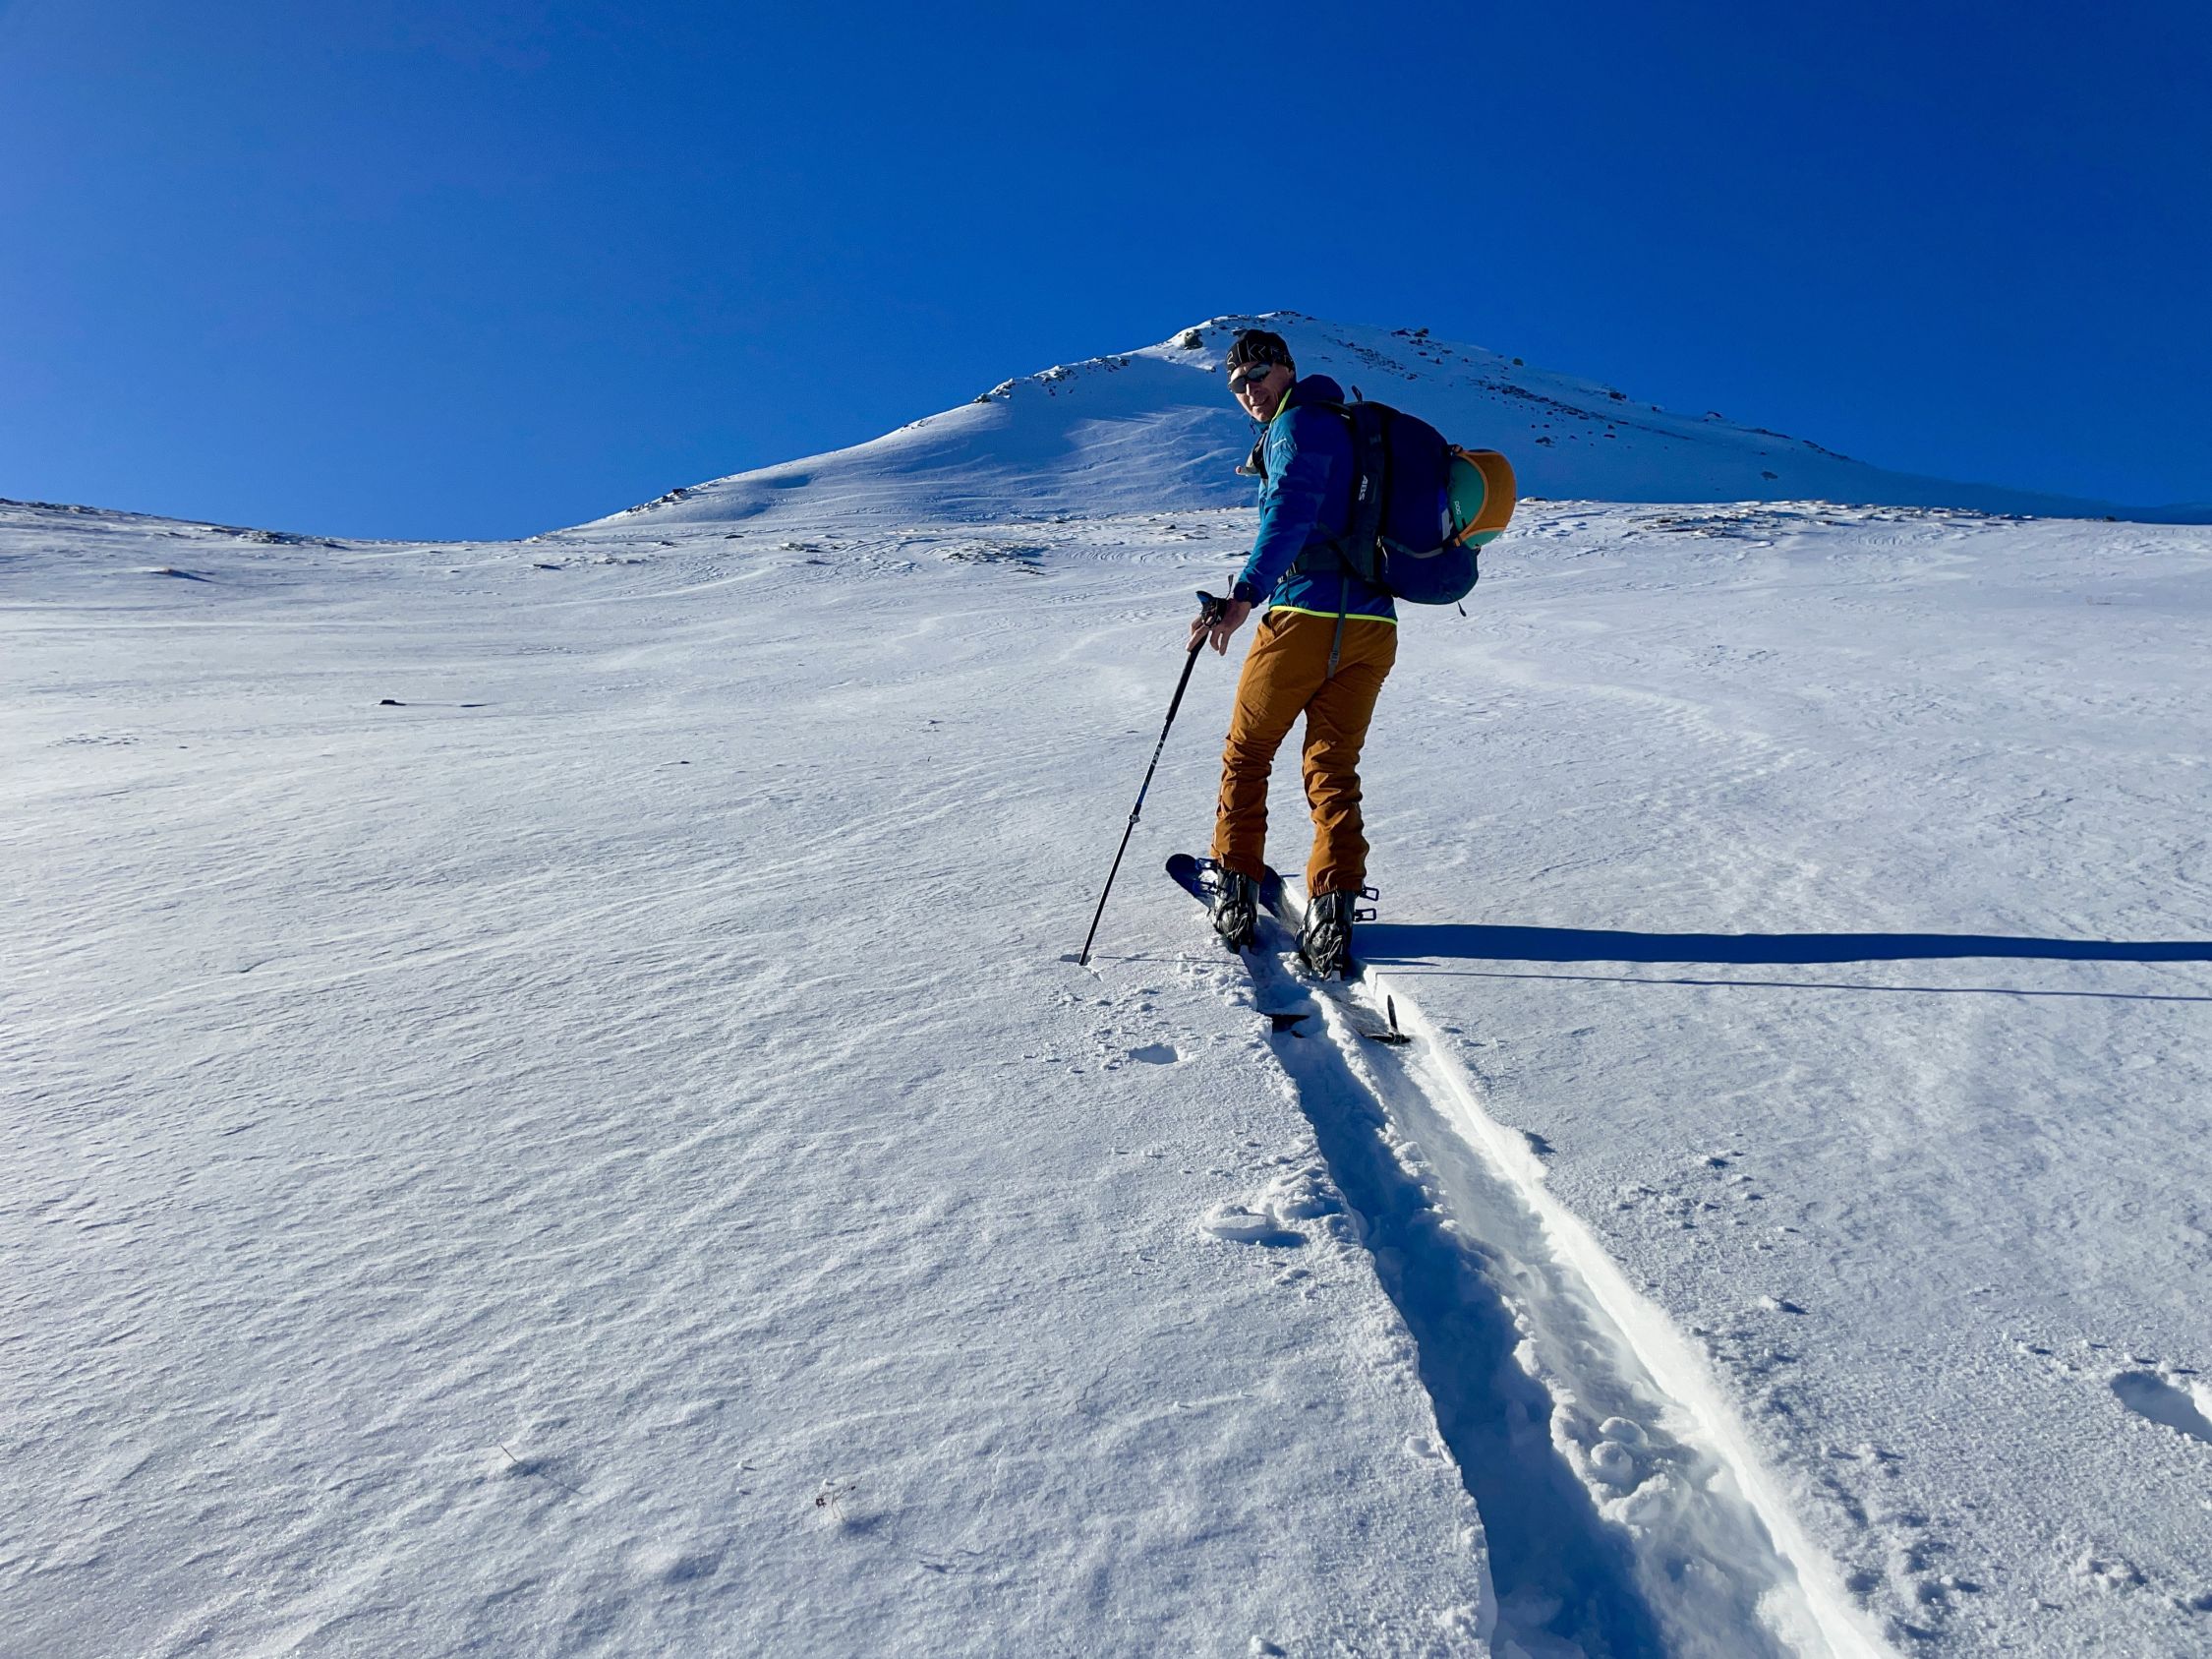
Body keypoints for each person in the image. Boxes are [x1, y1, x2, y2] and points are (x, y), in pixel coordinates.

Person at [1189, 328, 1396, 977]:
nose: (1249, 391)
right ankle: (1333, 909)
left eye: (1257, 375)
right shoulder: (1350, 427)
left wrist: (1244, 595)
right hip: (1373, 625)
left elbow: (1290, 510)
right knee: (1332, 764)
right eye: (1237, 385)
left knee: (1247, 753)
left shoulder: (1294, 425)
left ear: (1286, 368)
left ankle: (1235, 891)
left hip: (1303, 616)